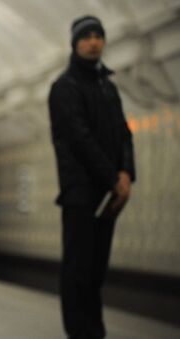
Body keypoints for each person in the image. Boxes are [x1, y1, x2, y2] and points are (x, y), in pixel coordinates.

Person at [48, 15, 136, 339]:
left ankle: (93, 331)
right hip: (81, 191)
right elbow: (79, 138)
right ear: (74, 42)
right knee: (78, 268)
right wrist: (115, 179)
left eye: (99, 35)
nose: (94, 41)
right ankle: (80, 331)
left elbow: (124, 133)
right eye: (86, 36)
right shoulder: (64, 87)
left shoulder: (108, 86)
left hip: (111, 188)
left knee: (97, 268)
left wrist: (126, 173)